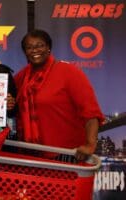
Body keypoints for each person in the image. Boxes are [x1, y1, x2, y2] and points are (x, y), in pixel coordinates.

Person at [15, 29, 104, 161]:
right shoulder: (21, 78)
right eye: (29, 47)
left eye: (40, 45)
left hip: (66, 154)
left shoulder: (69, 72)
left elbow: (90, 111)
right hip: (31, 155)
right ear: (25, 52)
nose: (35, 50)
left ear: (49, 48)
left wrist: (90, 145)